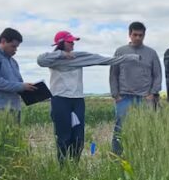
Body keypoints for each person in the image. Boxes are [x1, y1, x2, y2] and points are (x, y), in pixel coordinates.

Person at [37, 31, 139, 162]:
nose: (73, 44)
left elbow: (104, 60)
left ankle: (74, 165)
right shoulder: (52, 59)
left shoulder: (78, 57)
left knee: (78, 137)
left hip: (78, 100)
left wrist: (131, 58)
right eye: (70, 41)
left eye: (73, 41)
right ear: (61, 43)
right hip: (60, 100)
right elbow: (40, 60)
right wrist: (62, 54)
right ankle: (63, 167)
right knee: (63, 136)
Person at [110, 21, 163, 154]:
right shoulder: (120, 51)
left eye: (141, 35)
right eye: (135, 35)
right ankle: (117, 156)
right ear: (129, 34)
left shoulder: (151, 53)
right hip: (124, 97)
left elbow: (157, 75)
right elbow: (113, 74)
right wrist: (116, 95)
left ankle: (141, 155)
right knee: (120, 129)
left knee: (145, 129)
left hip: (145, 98)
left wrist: (153, 93)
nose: (138, 38)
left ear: (144, 35)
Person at [0, 28, 37, 116]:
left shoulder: (14, 62)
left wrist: (29, 88)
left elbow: (19, 84)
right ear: (3, 41)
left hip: (15, 107)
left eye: (17, 47)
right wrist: (21, 86)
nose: (15, 50)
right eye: (13, 46)